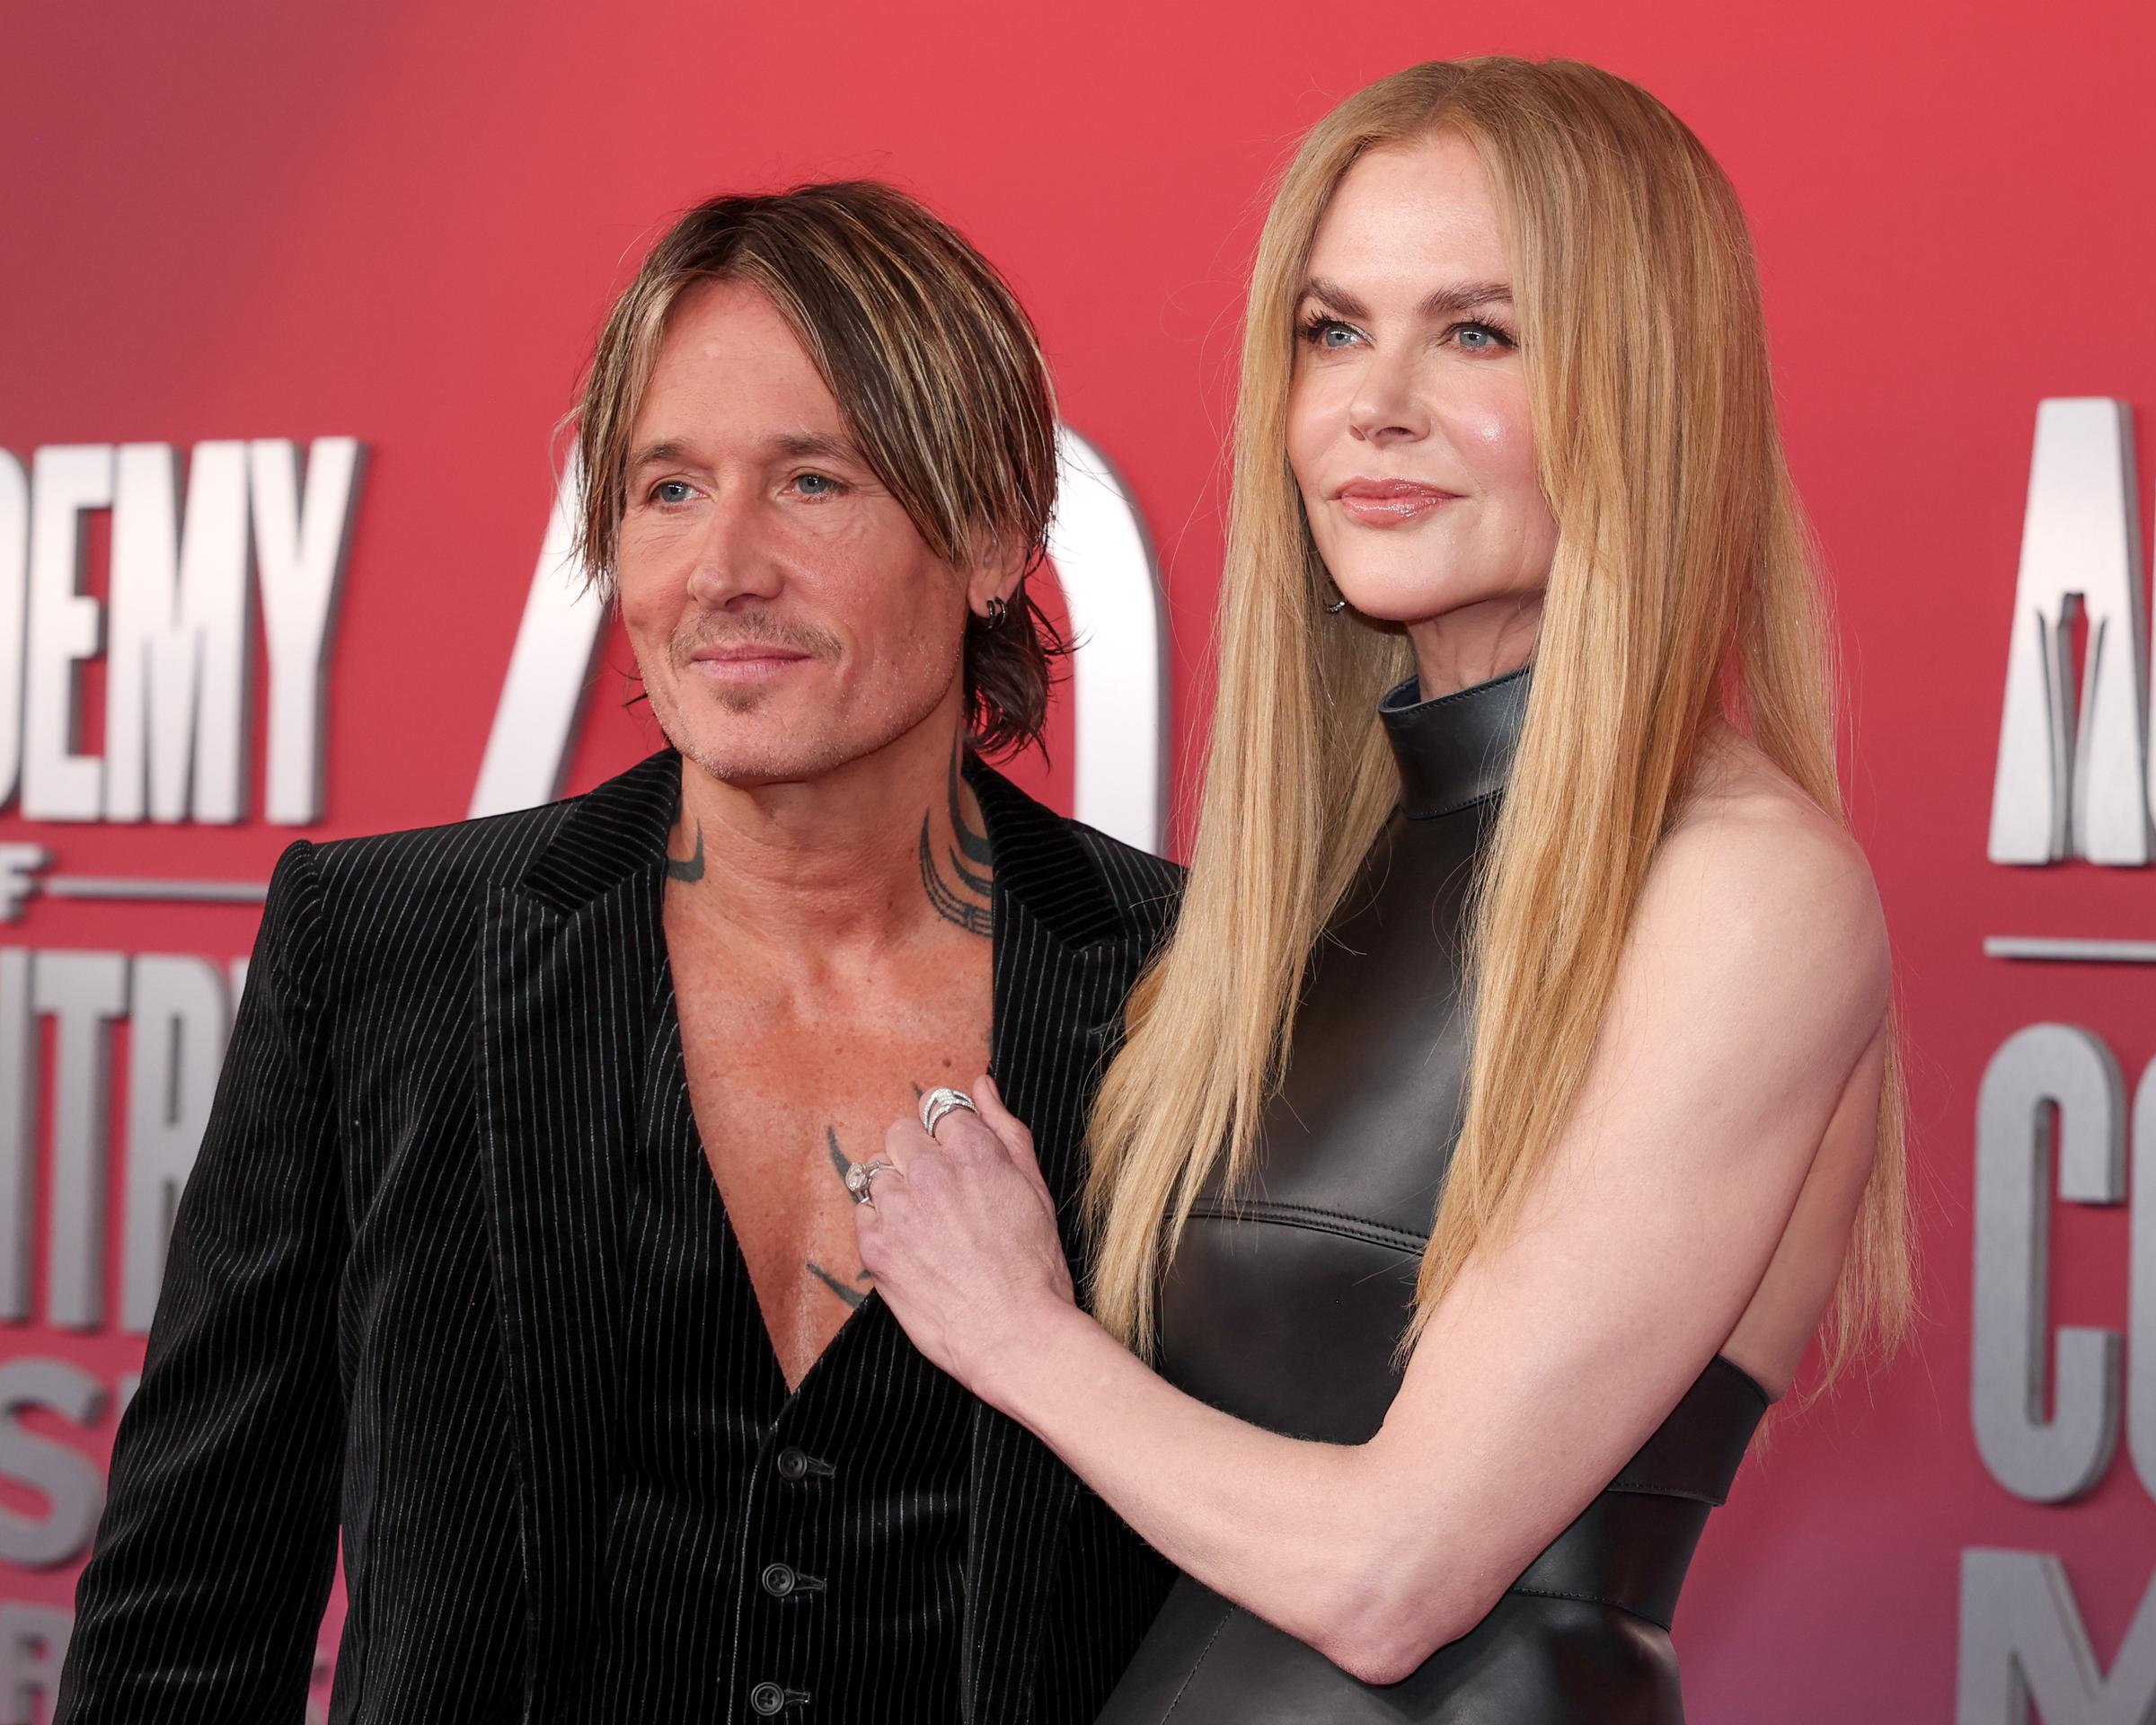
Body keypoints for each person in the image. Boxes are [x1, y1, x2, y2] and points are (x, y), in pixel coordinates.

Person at [849, 58, 1915, 1722]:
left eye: (1478, 332)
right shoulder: (1306, 891)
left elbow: (1393, 1574)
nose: (1375, 403)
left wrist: (1014, 1331)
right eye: (1334, 330)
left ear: (1650, 388)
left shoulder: (1746, 888)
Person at [55, 181, 1175, 1725]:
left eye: (814, 482)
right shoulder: (383, 955)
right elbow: (187, 1615)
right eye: (667, 489)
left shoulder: (1198, 985)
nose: (723, 569)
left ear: (992, 534)